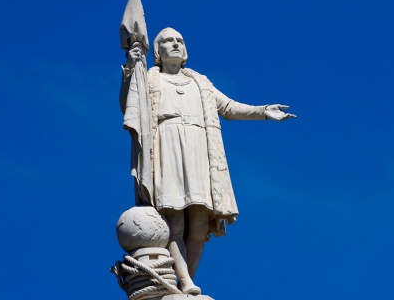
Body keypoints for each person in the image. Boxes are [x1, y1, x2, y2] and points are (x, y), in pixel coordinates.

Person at [120, 27, 296, 294]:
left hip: (198, 147)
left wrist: (262, 111)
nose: (175, 44)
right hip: (167, 143)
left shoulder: (199, 82)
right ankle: (186, 282)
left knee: (200, 223)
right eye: (168, 41)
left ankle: (183, 281)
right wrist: (132, 67)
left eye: (180, 40)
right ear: (157, 51)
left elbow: (227, 107)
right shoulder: (149, 79)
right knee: (175, 221)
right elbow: (129, 104)